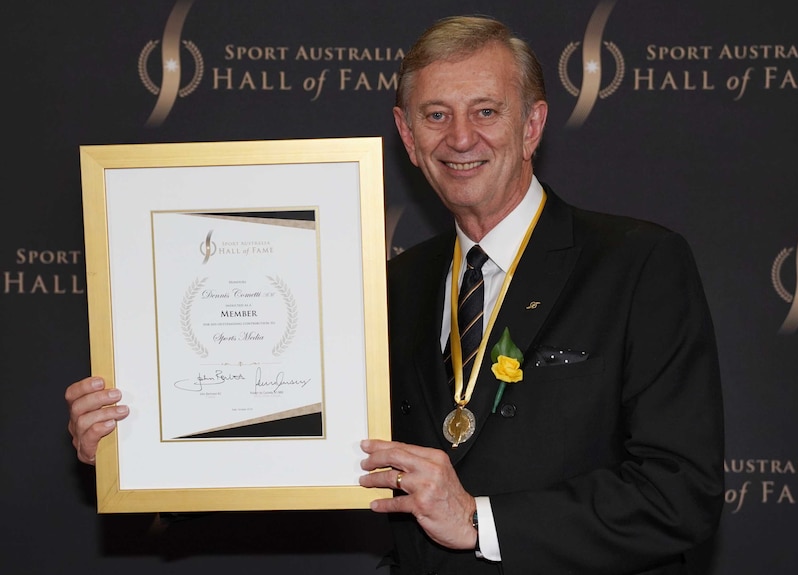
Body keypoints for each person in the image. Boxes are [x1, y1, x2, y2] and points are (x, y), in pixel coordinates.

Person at [67, 15, 724, 574]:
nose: (460, 138)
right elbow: (295, 450)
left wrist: (479, 519)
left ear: (531, 126)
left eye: (486, 111)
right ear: (407, 137)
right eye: (435, 115)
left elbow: (679, 494)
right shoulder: (389, 284)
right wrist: (135, 448)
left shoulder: (638, 264)